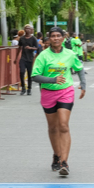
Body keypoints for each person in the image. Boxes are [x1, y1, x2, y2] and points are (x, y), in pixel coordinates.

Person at [31, 27, 87, 176]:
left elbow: (79, 68)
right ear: (49, 39)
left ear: (63, 38)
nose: (56, 38)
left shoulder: (70, 54)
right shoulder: (43, 56)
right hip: (48, 92)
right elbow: (35, 76)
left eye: (58, 36)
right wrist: (52, 79)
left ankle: (64, 162)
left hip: (65, 91)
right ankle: (56, 154)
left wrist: (83, 84)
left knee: (63, 125)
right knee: (53, 127)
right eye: (53, 36)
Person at [17, 24, 38, 96]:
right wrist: (16, 58)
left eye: (29, 28)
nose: (28, 30)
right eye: (26, 28)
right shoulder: (22, 38)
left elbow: (37, 48)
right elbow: (19, 48)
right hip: (23, 58)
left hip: (30, 58)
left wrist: (30, 48)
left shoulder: (33, 38)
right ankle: (23, 88)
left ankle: (29, 89)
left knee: (29, 74)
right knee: (22, 72)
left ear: (31, 30)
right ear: (24, 29)